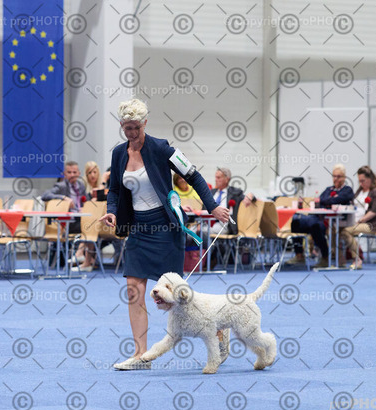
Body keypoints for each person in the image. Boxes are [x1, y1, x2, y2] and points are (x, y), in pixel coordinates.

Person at [99, 98, 230, 370]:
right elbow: (114, 190)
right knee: (134, 291)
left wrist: (212, 207)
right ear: (121, 125)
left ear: (145, 123)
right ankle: (140, 356)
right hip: (138, 230)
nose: (132, 133)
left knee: (181, 298)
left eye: (136, 127)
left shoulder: (161, 148)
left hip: (166, 228)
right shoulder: (119, 153)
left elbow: (193, 175)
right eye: (127, 128)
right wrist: (112, 211)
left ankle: (219, 328)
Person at [286, 164, 354, 267]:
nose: (336, 179)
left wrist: (326, 200)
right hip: (317, 217)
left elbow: (337, 200)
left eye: (339, 176)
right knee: (295, 222)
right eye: (334, 176)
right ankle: (299, 255)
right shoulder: (328, 189)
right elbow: (319, 200)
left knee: (315, 226)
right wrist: (327, 200)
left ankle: (325, 257)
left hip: (334, 221)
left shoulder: (347, 190)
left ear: (344, 177)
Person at [339, 166, 376, 270]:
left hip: (370, 224)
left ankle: (357, 259)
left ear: (370, 179)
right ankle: (339, 259)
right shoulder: (360, 191)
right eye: (359, 181)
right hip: (354, 220)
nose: (361, 183)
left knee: (346, 231)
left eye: (363, 181)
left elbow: (374, 211)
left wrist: (360, 220)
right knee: (335, 229)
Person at [41, 161, 87, 233]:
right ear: (64, 174)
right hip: (67, 221)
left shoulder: (81, 185)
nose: (72, 175)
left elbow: (86, 201)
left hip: (81, 218)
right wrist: (63, 198)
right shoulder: (61, 186)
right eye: (69, 172)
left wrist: (85, 207)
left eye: (74, 172)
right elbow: (45, 195)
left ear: (79, 173)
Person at [209, 167, 255, 235]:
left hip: (224, 224)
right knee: (193, 231)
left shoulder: (235, 193)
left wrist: (251, 195)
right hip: (206, 222)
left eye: (218, 178)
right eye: (215, 177)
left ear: (227, 179)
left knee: (204, 231)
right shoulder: (211, 192)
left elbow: (250, 198)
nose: (216, 180)